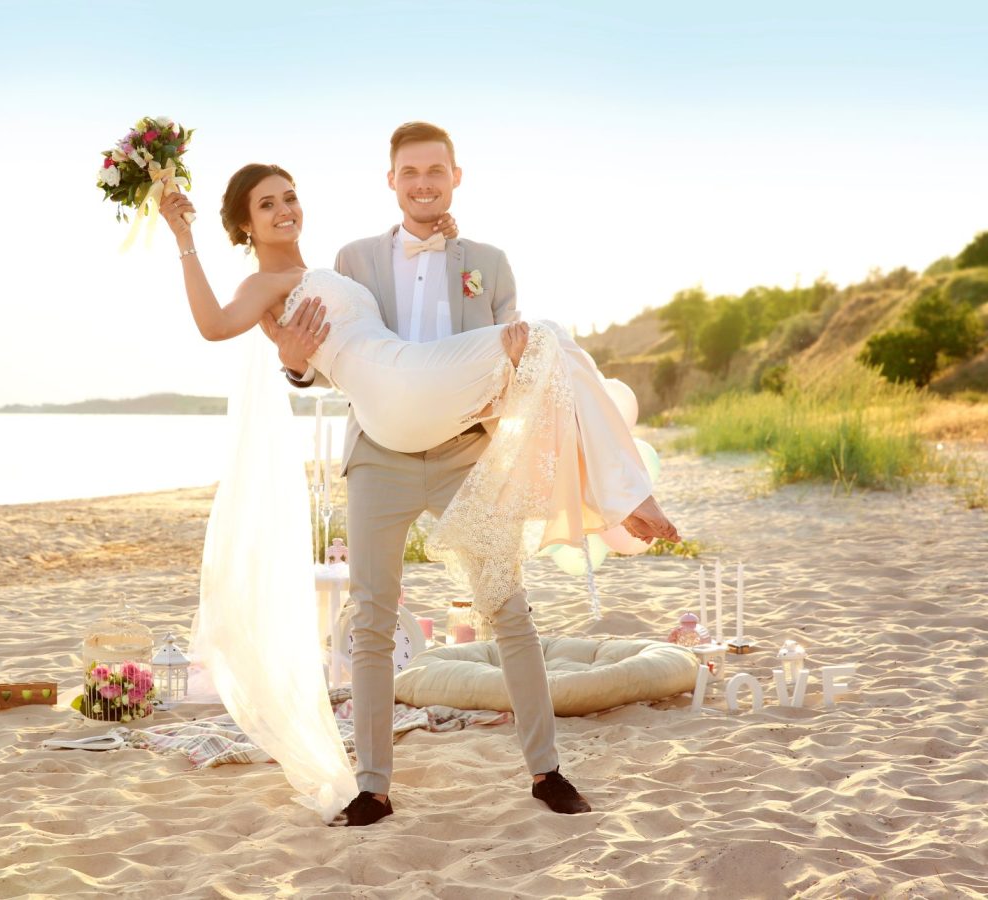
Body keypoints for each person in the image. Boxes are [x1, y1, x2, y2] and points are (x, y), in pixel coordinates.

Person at [158, 126, 679, 827]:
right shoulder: (350, 260)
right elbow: (275, 351)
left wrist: (504, 340)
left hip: (457, 442)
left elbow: (478, 364)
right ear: (392, 180)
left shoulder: (482, 263)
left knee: (509, 607)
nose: (285, 210)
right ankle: (372, 786)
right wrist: (272, 337)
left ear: (453, 178)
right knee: (371, 619)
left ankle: (547, 772)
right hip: (385, 438)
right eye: (268, 204)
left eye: (290, 197)